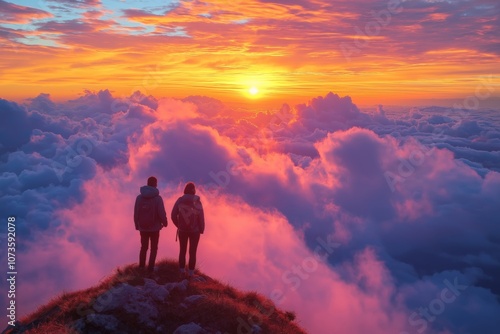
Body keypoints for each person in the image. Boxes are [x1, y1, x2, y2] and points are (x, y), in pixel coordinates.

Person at [171, 182, 205, 278]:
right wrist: (201, 229)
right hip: (195, 231)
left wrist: (179, 225)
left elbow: (173, 215)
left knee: (182, 250)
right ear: (194, 190)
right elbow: (201, 217)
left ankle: (181, 271)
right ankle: (191, 273)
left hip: (182, 230)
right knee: (192, 252)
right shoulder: (197, 202)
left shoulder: (180, 200)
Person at [134, 176, 167, 273]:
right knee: (153, 248)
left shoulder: (139, 198)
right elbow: (161, 212)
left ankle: (141, 267)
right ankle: (150, 268)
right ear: (155, 184)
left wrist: (137, 225)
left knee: (143, 248)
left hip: (142, 227)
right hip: (155, 228)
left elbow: (136, 212)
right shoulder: (158, 198)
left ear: (147, 183)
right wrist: (165, 223)